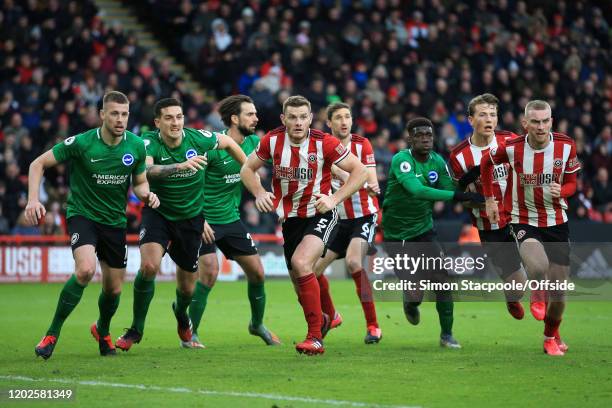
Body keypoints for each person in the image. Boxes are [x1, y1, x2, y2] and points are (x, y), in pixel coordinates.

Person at [29, 91, 159, 359]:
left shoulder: (136, 146)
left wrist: (146, 193)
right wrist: (33, 200)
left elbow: (140, 181)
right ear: (102, 115)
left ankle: (103, 330)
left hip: (114, 222)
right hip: (83, 215)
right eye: (114, 113)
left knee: (113, 289)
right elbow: (37, 164)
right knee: (85, 270)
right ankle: (52, 333)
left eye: (124, 114)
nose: (120, 119)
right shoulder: (82, 142)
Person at [115, 98, 247, 352]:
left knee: (187, 288)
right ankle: (136, 328)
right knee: (150, 266)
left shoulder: (198, 138)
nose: (176, 123)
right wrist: (179, 166)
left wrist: (248, 168)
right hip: (159, 212)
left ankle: (182, 315)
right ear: (157, 122)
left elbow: (229, 143)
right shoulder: (149, 142)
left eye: (179, 117)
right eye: (169, 118)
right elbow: (147, 171)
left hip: (191, 219)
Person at [240, 95, 368, 355]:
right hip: (290, 220)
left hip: (320, 212)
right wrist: (259, 193)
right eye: (292, 117)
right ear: (283, 119)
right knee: (300, 285)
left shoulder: (325, 142)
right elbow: (246, 169)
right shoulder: (272, 141)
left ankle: (315, 337)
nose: (298, 123)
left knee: (301, 264)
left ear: (310, 118)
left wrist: (333, 198)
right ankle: (326, 318)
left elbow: (361, 172)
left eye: (303, 117)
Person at [481, 100, 580, 356]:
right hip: (523, 218)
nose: (540, 126)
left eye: (545, 121)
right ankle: (537, 290)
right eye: (535, 121)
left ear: (551, 121)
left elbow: (572, 183)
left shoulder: (566, 145)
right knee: (537, 266)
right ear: (525, 124)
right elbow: (485, 164)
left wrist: (564, 190)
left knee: (559, 295)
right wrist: (490, 198)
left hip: (557, 221)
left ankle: (551, 337)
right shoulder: (512, 148)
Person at [185, 95, 280, 349]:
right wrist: (199, 219)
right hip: (204, 220)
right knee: (209, 274)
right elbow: (192, 185)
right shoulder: (213, 146)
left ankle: (257, 324)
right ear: (235, 119)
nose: (256, 118)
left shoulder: (254, 143)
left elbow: (282, 158)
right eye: (250, 114)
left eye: (255, 113)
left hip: (230, 220)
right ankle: (191, 334)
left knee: (257, 273)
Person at [382, 117, 484, 349]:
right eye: (419, 135)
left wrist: (467, 181)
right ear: (410, 138)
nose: (425, 139)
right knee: (416, 292)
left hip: (424, 230)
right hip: (398, 236)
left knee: (443, 280)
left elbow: (449, 190)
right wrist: (457, 196)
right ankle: (410, 303)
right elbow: (416, 190)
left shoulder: (438, 161)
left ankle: (446, 335)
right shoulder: (402, 160)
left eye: (429, 135)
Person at [448, 94, 527, 319]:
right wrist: (476, 198)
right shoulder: (458, 156)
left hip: (519, 215)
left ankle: (552, 332)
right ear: (471, 120)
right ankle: (512, 298)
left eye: (493, 114)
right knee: (517, 285)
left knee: (539, 262)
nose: (489, 119)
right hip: (489, 225)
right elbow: (460, 197)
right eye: (483, 114)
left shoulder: (510, 141)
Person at [312, 102, 382, 344]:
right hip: (337, 220)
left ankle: (373, 325)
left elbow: (370, 176)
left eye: (347, 117)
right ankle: (332, 315)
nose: (344, 121)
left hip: (364, 216)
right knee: (313, 271)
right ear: (329, 123)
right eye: (338, 118)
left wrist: (372, 187)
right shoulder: (322, 147)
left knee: (354, 262)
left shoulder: (362, 144)